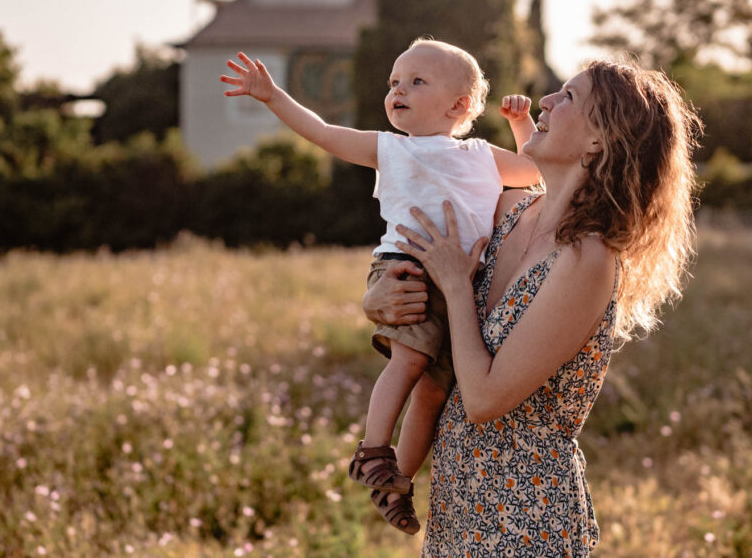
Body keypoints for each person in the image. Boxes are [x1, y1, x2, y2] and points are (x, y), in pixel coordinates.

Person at [362, 60, 702, 555]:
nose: (545, 101)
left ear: (598, 141)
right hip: (457, 507)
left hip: (526, 519)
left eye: (568, 97)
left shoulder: (588, 257)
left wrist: (456, 286)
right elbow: (425, 297)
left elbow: (483, 399)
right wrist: (376, 299)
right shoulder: (506, 210)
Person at [218, 38, 541, 534]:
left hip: (461, 284)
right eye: (394, 82)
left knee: (434, 391)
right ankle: (372, 451)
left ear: (458, 105)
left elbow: (536, 171)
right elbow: (323, 132)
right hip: (405, 270)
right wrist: (273, 96)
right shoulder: (390, 148)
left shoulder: (481, 154)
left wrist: (522, 123)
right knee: (409, 362)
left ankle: (396, 484)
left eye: (416, 81)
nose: (397, 91)